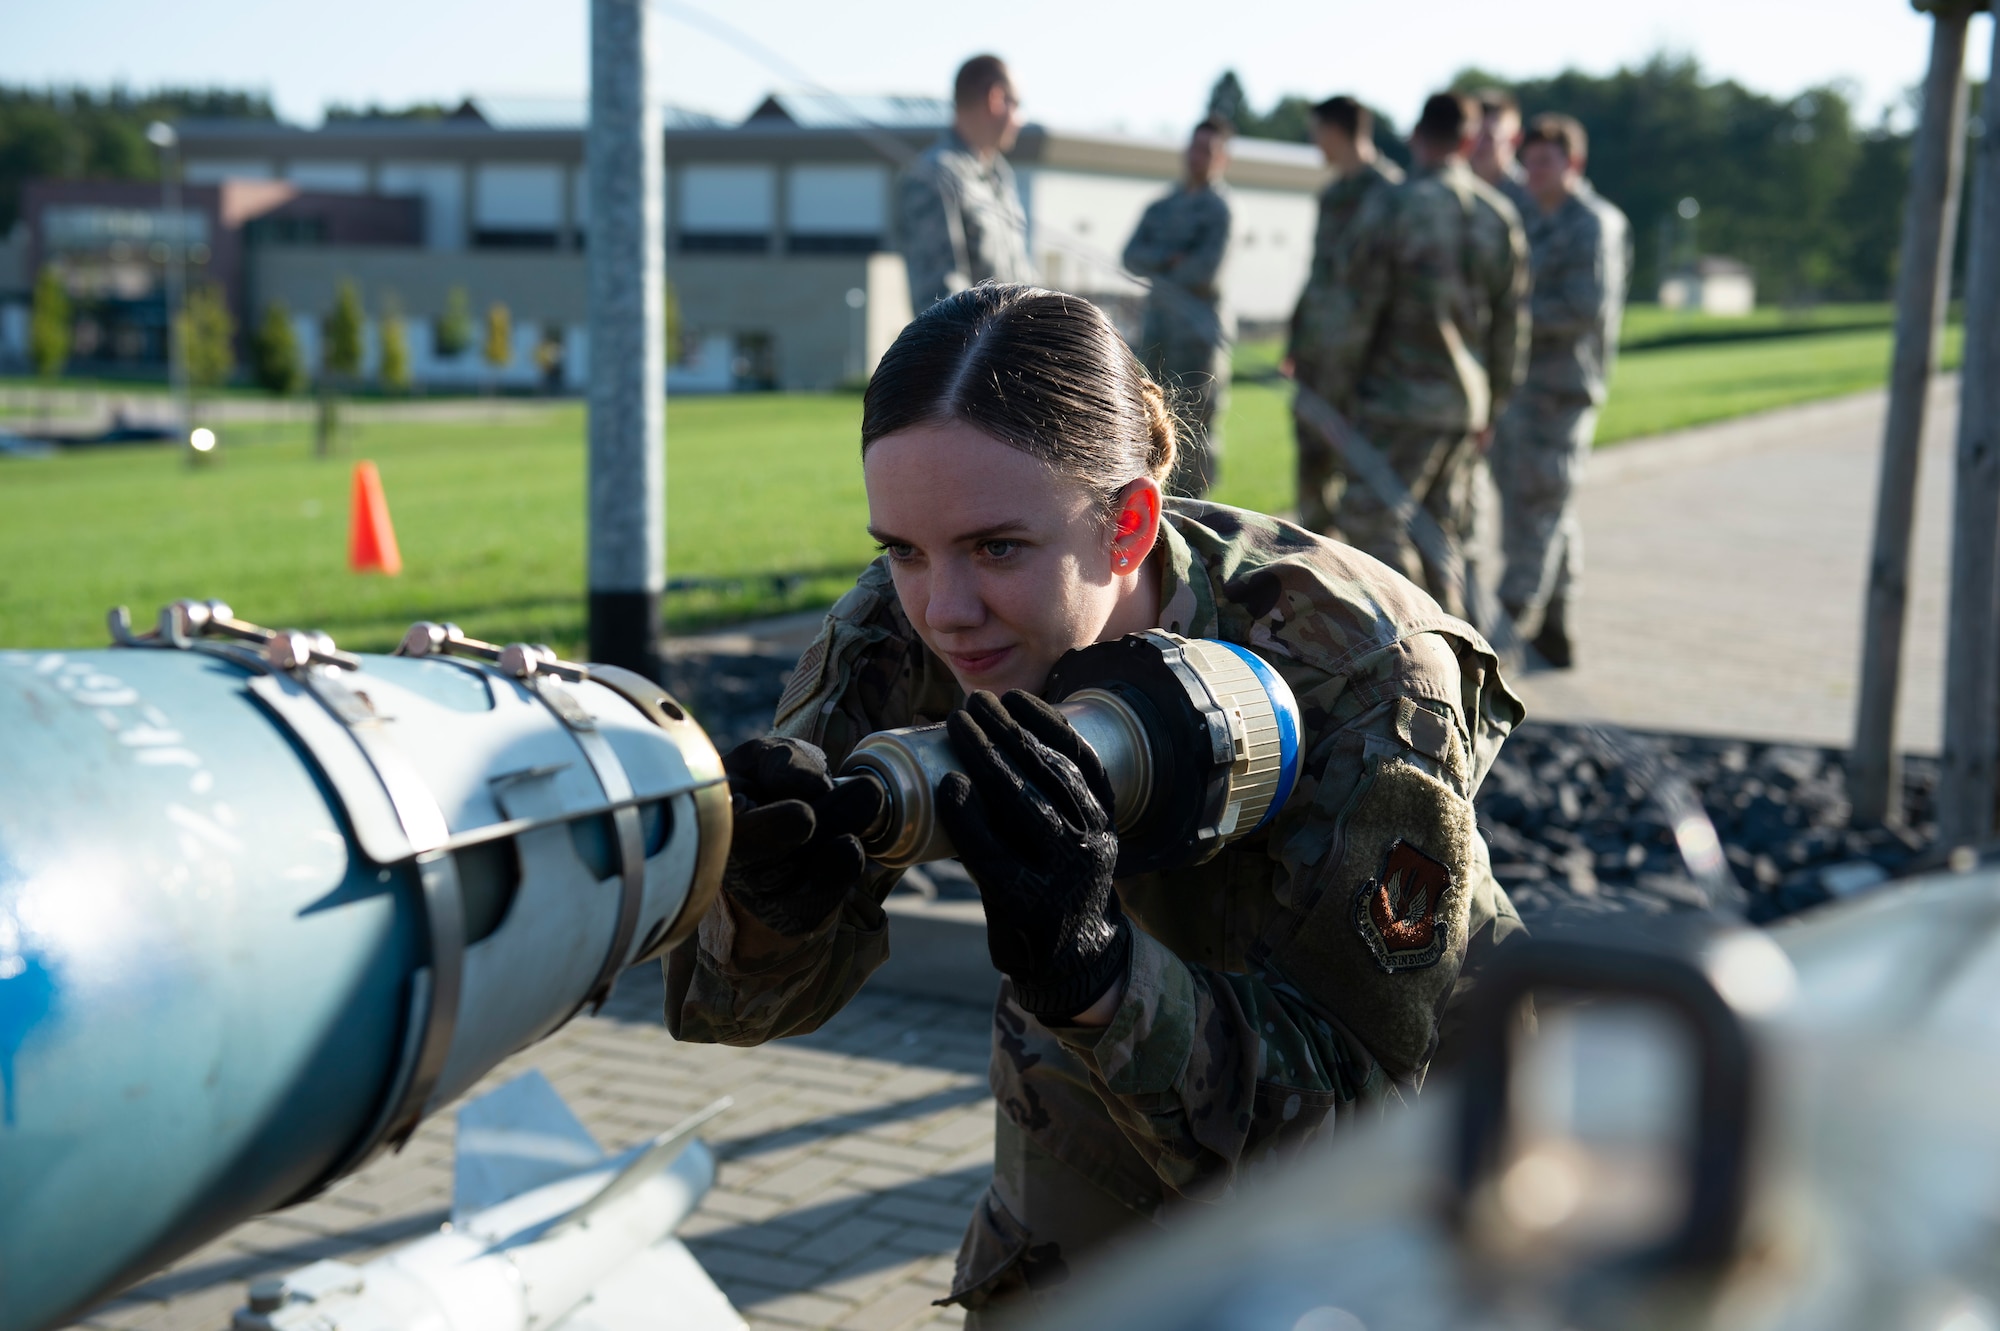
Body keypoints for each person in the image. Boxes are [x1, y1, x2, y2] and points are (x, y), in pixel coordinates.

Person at [666, 283, 1526, 1324]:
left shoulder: (1357, 672)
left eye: (995, 547)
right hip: (1077, 1223)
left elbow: (1360, 1140)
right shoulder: (900, 631)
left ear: (1126, 524)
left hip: (1369, 1256)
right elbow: (725, 1008)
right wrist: (766, 904)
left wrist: (1097, 973)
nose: (942, 608)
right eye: (901, 548)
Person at [1313, 93, 1528, 618]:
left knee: (1369, 522)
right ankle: (1463, 658)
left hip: (1396, 402)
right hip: (1463, 407)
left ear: (1416, 137)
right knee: (1440, 534)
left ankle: (1420, 636)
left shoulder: (1391, 206)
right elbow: (1510, 327)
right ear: (1469, 140)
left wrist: (1332, 396)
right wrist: (1493, 405)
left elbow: (1355, 311)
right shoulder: (1497, 214)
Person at [1491, 114, 1631, 667]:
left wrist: (1511, 318)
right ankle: (1555, 628)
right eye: (1530, 159)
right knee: (1544, 506)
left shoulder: (1594, 224)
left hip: (1564, 390)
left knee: (1540, 508)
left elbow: (1582, 306)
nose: (1533, 170)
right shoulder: (1524, 215)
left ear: (1574, 164)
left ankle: (1503, 633)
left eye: (1547, 161)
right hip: (1522, 387)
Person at [1286, 95, 1404, 536]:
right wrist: (1297, 341)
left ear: (1337, 131)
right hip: (1318, 356)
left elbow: (1389, 287)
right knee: (1311, 475)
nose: (1314, 141)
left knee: (1361, 490)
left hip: (1362, 365)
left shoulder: (1391, 193)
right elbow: (1317, 273)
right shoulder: (1332, 194)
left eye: (1317, 131)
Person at [1122, 118, 1236, 498]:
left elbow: (1205, 270)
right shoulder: (1162, 205)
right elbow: (1130, 256)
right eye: (1194, 146)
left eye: (1208, 149)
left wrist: (1164, 265)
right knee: (1147, 421)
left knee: (1196, 430)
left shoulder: (1220, 209)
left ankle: (1196, 521)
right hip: (1157, 333)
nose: (1197, 157)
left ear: (1222, 158)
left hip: (1198, 339)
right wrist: (1169, 259)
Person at [897, 54, 1037, 310]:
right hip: (975, 349)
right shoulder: (935, 175)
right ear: (996, 99)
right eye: (1017, 104)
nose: (1021, 119)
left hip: (1012, 346)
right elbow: (939, 300)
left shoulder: (999, 174)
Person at [1470, 87, 1529, 215]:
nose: (1477, 145)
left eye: (1488, 137)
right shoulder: (1457, 190)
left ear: (1515, 139)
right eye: (1473, 136)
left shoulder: (1532, 195)